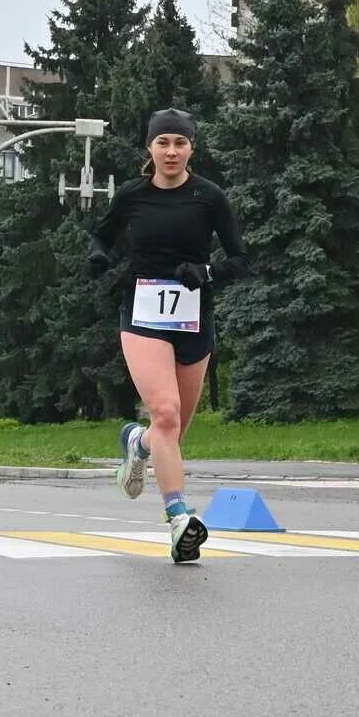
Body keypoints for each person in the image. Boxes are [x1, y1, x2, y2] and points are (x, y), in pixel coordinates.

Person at [88, 108, 250, 563]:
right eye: (163, 143)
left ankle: (135, 445)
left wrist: (207, 271)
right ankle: (179, 518)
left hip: (194, 319)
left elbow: (240, 260)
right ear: (150, 149)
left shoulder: (209, 197)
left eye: (180, 143)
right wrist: (99, 258)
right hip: (141, 314)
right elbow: (99, 236)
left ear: (191, 148)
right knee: (165, 411)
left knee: (171, 431)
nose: (172, 152)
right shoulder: (132, 196)